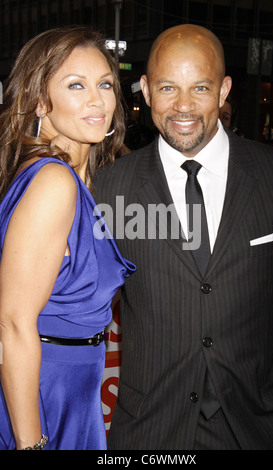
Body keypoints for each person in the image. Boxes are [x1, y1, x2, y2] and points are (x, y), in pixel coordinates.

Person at [94, 24, 273, 450]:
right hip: (151, 429)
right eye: (168, 87)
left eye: (199, 87)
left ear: (223, 90)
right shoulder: (109, 188)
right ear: (145, 90)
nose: (182, 106)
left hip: (264, 425)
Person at [0, 26, 135, 451]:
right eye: (76, 85)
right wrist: (30, 443)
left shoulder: (80, 177)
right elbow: (12, 323)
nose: (98, 100)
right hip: (44, 390)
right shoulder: (54, 181)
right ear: (40, 100)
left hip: (73, 384)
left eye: (105, 84)